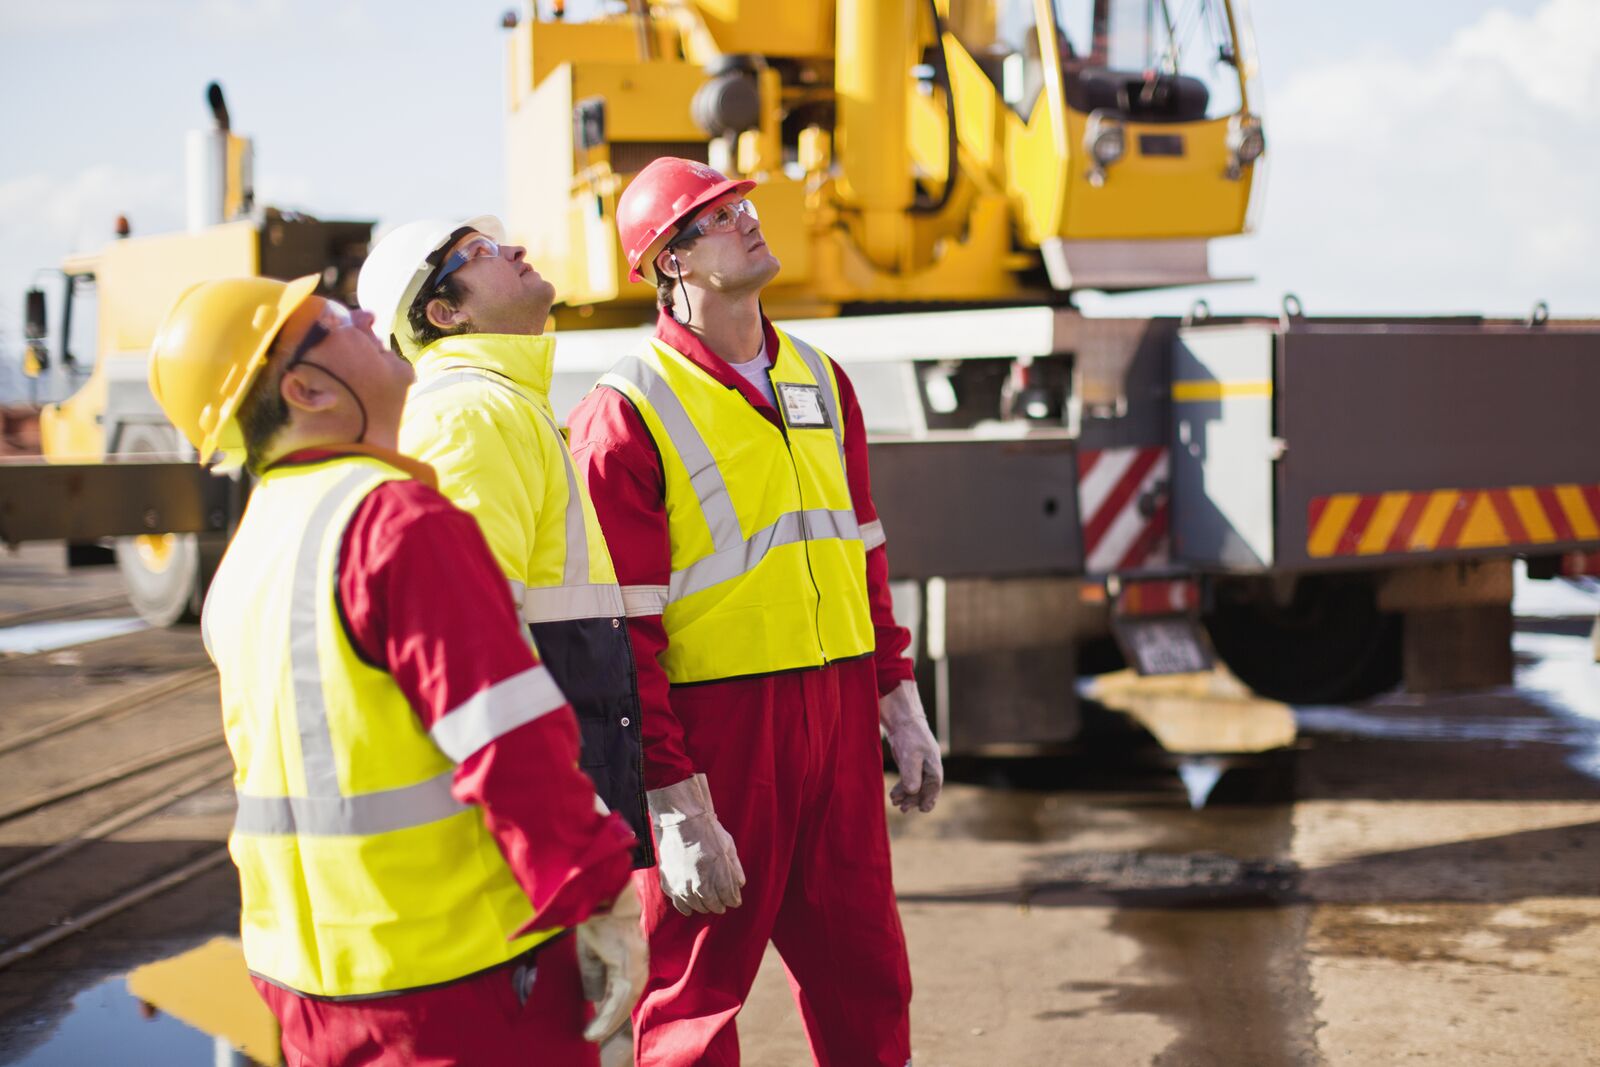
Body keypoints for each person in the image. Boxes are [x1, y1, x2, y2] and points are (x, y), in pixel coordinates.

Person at [146, 275, 646, 1066]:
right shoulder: (392, 521)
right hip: (457, 987)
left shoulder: (250, 553)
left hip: (305, 990)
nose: (371, 316)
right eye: (336, 318)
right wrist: (601, 893)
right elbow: (508, 741)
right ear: (306, 387)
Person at [567, 157, 945, 1066]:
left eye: (742, 204)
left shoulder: (819, 376)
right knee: (693, 1006)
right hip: (720, 738)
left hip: (838, 717)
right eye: (715, 215)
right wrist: (670, 795)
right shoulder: (626, 410)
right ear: (671, 263)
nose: (747, 219)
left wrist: (897, 695)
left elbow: (863, 545)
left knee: (868, 978)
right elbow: (621, 629)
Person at [357, 216, 652, 867]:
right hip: (539, 834)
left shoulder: (503, 406)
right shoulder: (469, 417)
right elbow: (476, 656)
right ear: (443, 310)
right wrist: (571, 823)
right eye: (478, 253)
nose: (515, 248)